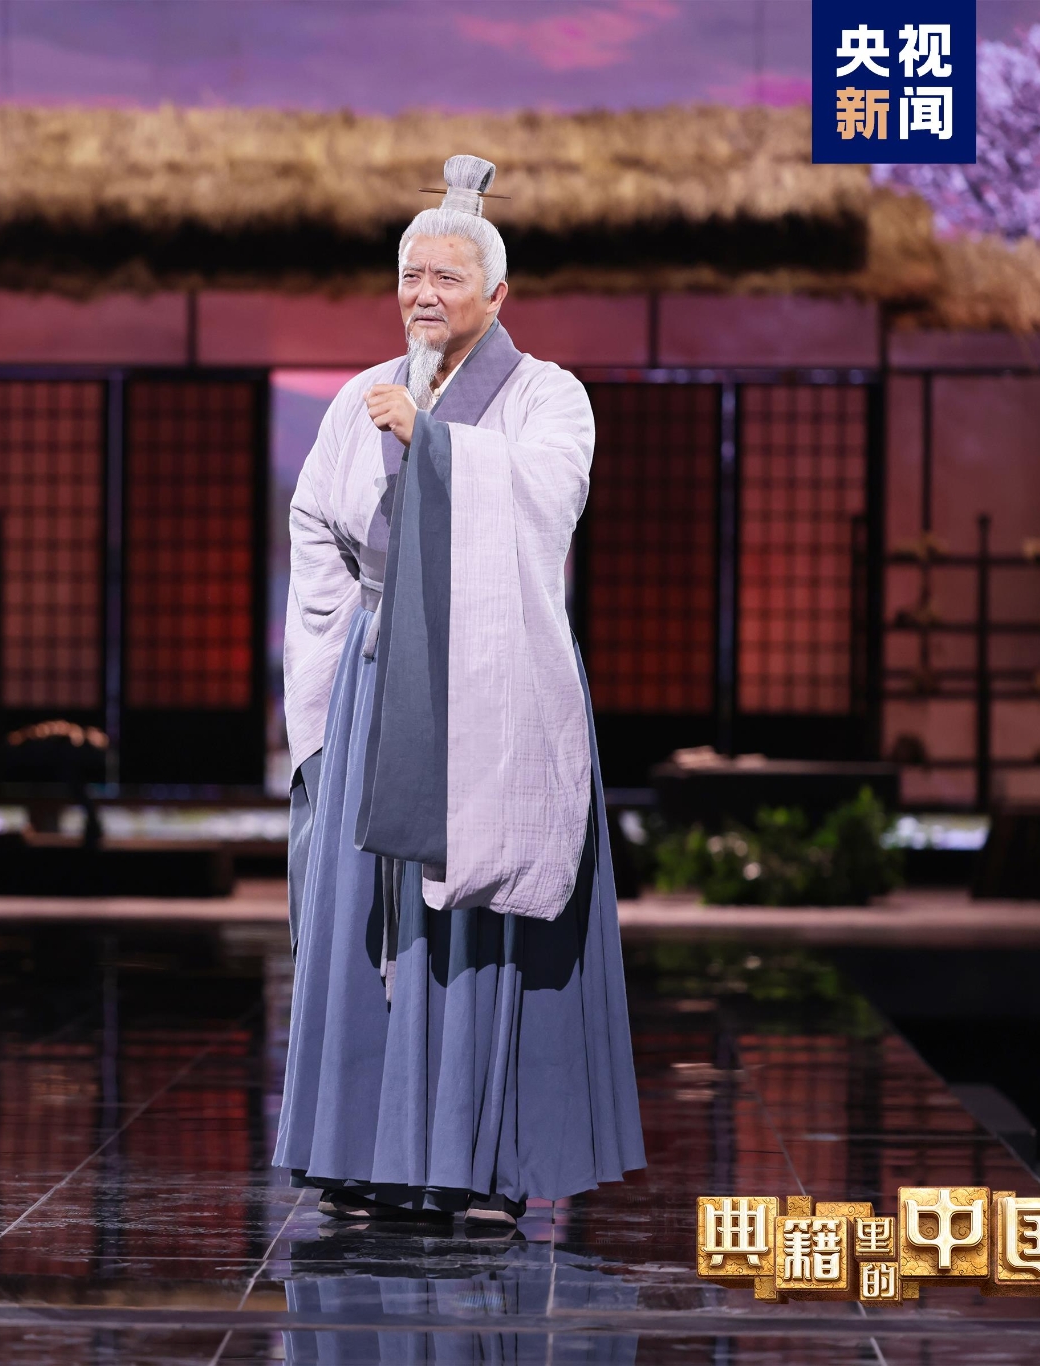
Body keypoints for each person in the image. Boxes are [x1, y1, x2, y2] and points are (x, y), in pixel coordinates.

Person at [274, 155, 646, 1230]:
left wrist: (431, 442)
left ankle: (480, 1161)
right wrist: (326, 676)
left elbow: (545, 500)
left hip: (495, 676)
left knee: (483, 916)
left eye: (447, 276)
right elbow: (317, 527)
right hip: (378, 674)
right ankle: (359, 1152)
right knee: (364, 911)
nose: (424, 295)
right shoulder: (361, 395)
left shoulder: (547, 395)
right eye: (410, 275)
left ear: (496, 293)